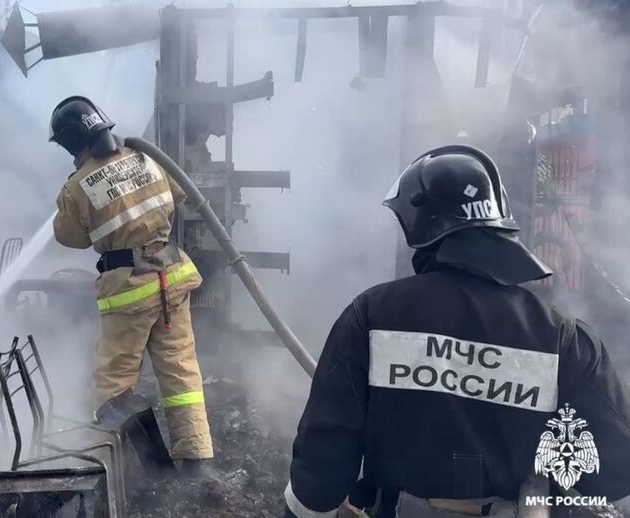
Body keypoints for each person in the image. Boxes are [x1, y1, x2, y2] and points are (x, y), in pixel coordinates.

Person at [285, 145, 630, 518]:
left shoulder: (371, 315)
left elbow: (319, 480)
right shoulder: (564, 338)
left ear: (419, 224)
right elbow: (615, 472)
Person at [49, 96, 214, 466]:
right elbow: (177, 195)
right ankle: (197, 461)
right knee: (181, 372)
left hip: (128, 290)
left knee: (113, 385)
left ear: (72, 142)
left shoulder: (78, 186)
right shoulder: (146, 157)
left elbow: (70, 236)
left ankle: (155, 468)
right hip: (172, 277)